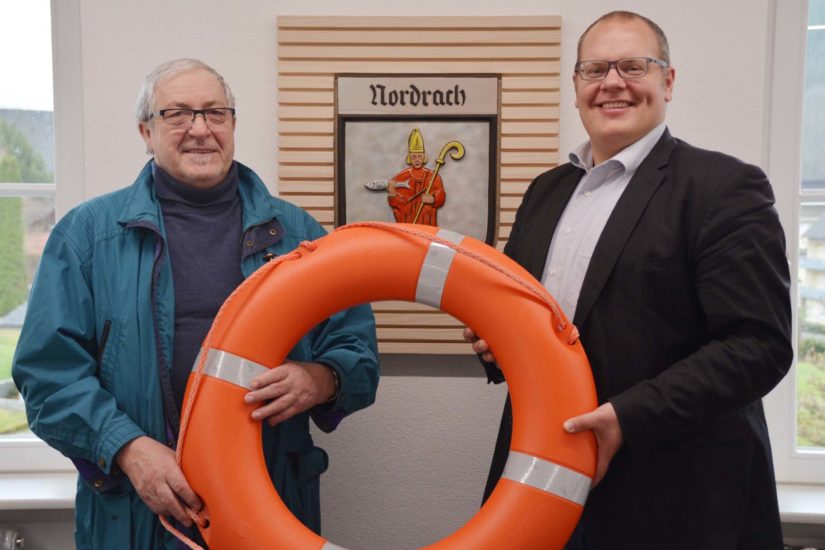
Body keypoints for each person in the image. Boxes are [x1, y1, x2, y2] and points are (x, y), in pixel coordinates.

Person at [12, 58, 380, 549]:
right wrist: (126, 447)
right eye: (178, 114)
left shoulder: (299, 236)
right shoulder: (85, 238)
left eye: (215, 113)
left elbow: (358, 352)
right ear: (146, 132)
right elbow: (47, 377)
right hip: (136, 518)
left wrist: (322, 379)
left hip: (271, 507)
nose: (200, 129)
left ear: (232, 125)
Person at [465, 11, 792, 550]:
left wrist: (625, 419)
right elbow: (524, 319)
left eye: (633, 67)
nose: (612, 83)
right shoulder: (545, 192)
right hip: (542, 483)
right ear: (576, 87)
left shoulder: (725, 188)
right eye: (595, 70)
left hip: (675, 500)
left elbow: (758, 346)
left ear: (668, 81)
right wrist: (495, 342)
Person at [387, 128, 446, 225]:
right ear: (409, 158)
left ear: (424, 157)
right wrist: (392, 192)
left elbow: (441, 197)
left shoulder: (434, 177)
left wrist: (432, 199)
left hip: (428, 224)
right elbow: (397, 204)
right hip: (408, 223)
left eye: (419, 156)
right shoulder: (401, 177)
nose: (417, 160)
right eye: (414, 156)